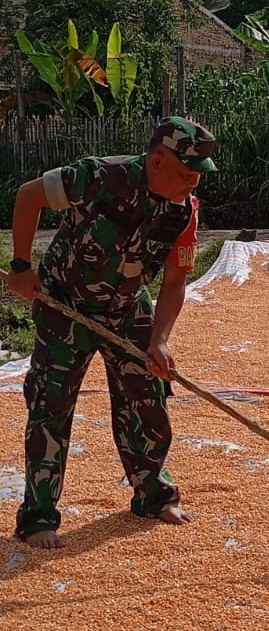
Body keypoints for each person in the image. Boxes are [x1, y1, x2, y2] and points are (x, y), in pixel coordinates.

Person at [6, 116, 217, 549]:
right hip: (65, 305)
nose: (192, 182)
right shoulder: (100, 177)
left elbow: (175, 281)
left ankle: (154, 496)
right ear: (156, 161)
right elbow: (29, 195)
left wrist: (159, 340)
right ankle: (38, 517)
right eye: (185, 173)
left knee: (147, 398)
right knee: (51, 405)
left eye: (198, 175)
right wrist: (22, 267)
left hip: (126, 307)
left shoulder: (183, 212)